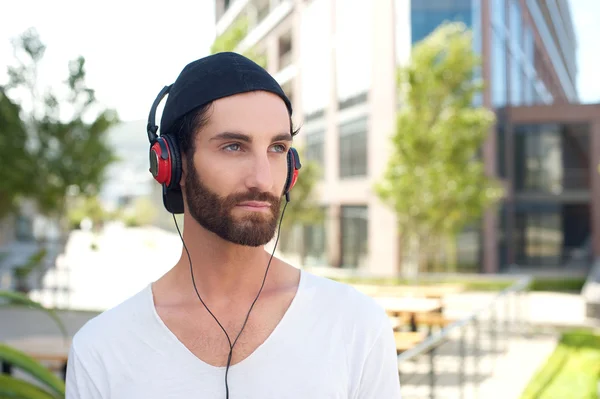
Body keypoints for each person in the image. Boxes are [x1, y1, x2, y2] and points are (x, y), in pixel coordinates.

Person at [65, 52, 401, 398]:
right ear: (172, 165)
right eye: (233, 146)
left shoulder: (356, 326)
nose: (263, 179)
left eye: (277, 148)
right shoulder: (101, 350)